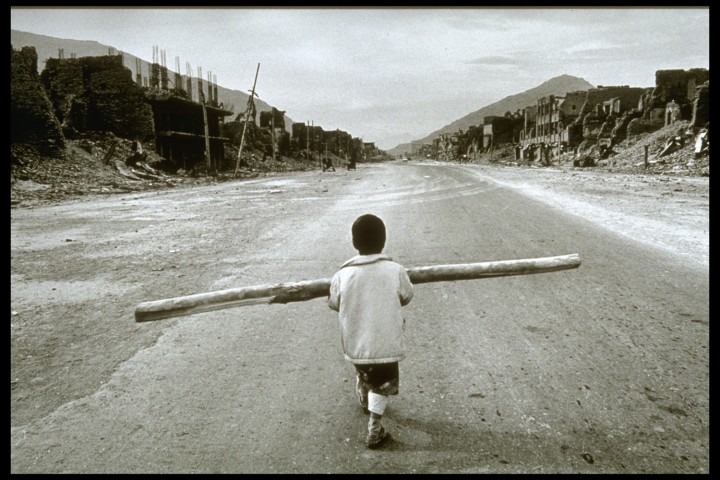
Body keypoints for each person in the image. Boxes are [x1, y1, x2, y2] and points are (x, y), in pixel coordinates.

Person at [328, 214, 414, 448]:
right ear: (383, 241)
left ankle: (365, 398)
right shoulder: (396, 270)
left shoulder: (342, 274)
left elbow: (334, 303)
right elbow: (406, 296)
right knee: (382, 383)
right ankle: (374, 428)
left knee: (366, 372)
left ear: (355, 243)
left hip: (356, 342)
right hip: (385, 343)